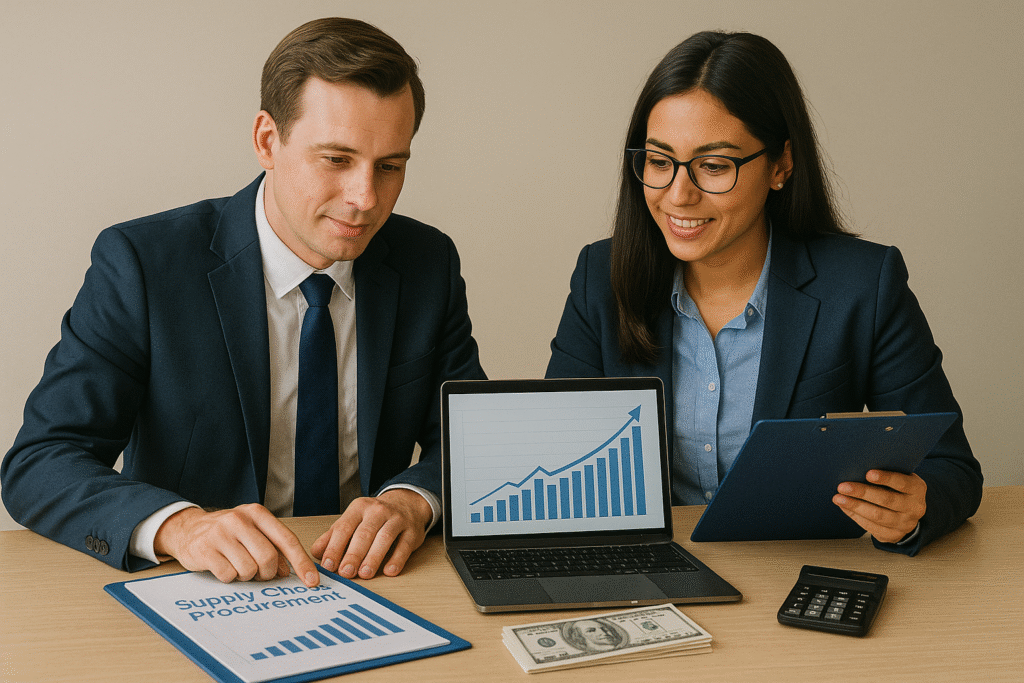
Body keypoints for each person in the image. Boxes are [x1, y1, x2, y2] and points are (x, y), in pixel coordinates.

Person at [1, 17, 485, 585]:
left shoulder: (426, 262)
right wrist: (181, 527)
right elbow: (41, 462)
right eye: (336, 160)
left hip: (373, 582)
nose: (364, 198)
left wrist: (412, 498)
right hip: (197, 589)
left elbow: (473, 437)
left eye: (391, 166)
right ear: (266, 141)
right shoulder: (143, 263)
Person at [545, 31, 982, 556]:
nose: (678, 195)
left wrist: (914, 509)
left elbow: (951, 466)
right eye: (660, 162)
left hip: (794, 567)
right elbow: (557, 455)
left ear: (780, 165)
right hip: (651, 570)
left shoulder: (864, 283)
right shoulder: (601, 274)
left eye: (713, 166)